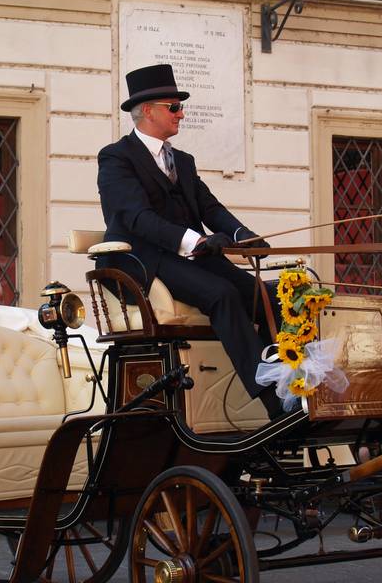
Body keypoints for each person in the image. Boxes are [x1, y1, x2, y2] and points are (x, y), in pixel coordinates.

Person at [96, 63, 284, 419]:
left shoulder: (182, 160)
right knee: (222, 295)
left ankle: (290, 382)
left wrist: (244, 236)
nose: (182, 113)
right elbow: (136, 217)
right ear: (148, 111)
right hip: (144, 258)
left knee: (269, 296)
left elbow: (209, 206)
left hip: (189, 255)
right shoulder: (116, 158)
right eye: (174, 106)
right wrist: (196, 240)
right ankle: (272, 401)